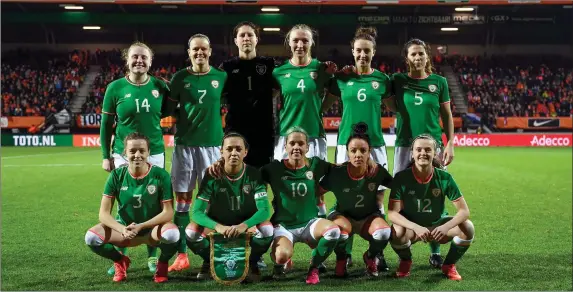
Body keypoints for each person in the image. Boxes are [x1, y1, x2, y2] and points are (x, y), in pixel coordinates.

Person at [100, 41, 170, 275]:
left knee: (154, 204)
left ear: (150, 62)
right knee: (125, 204)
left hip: (155, 152)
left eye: (144, 57)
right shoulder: (115, 88)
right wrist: (105, 155)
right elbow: (106, 124)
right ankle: (121, 256)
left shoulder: (161, 86)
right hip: (123, 153)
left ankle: (153, 255)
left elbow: (176, 109)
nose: (139, 61)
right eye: (135, 57)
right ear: (127, 60)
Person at [385, 38, 456, 267]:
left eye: (421, 54)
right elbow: (388, 102)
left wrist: (450, 142)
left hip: (432, 145)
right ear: (407, 58)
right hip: (405, 145)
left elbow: (446, 116)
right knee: (402, 198)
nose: (417, 58)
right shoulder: (397, 80)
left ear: (428, 56)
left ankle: (435, 249)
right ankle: (405, 250)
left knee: (435, 194)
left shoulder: (439, 82)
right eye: (413, 54)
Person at [330, 27, 393, 270]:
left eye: (367, 51)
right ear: (352, 51)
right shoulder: (342, 79)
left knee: (378, 198)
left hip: (375, 145)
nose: (362, 55)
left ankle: (377, 252)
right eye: (358, 51)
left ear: (373, 52)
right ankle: (343, 253)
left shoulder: (382, 80)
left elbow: (395, 108)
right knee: (343, 195)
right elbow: (324, 103)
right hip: (346, 144)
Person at [163, 33, 227, 272]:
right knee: (182, 203)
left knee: (212, 203)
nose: (199, 53)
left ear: (210, 51)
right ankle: (181, 254)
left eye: (203, 49)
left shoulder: (221, 77)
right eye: (195, 50)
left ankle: (210, 256)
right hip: (185, 146)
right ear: (188, 53)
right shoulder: (179, 78)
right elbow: (167, 109)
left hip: (212, 147)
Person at [85, 133, 179, 283]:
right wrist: (122, 229)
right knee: (91, 238)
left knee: (173, 234)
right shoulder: (116, 175)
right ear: (125, 153)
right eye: (132, 151)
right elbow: (103, 214)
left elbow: (168, 212)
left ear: (149, 152)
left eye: (142, 151)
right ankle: (120, 260)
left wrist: (141, 226)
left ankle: (162, 263)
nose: (137, 155)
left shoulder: (161, 175)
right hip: (124, 231)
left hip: (152, 231)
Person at [185, 132, 273, 282]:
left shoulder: (254, 175)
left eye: (238, 149)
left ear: (245, 152)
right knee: (191, 232)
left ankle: (252, 262)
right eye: (229, 149)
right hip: (218, 225)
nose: (234, 153)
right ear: (221, 151)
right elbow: (196, 212)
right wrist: (218, 227)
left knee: (267, 229)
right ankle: (209, 260)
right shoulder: (212, 175)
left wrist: (244, 226)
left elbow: (265, 210)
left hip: (246, 225)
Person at [272, 23, 338, 223]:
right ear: (289, 43)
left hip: (314, 135)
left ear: (311, 43)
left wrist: (321, 109)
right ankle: (282, 226)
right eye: (295, 40)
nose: (300, 44)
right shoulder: (279, 72)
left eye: (305, 40)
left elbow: (334, 92)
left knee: (316, 187)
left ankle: (322, 230)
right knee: (281, 185)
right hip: (285, 135)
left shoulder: (322, 69)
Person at [388, 134, 474, 281]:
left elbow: (464, 211)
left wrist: (446, 227)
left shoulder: (445, 178)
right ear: (412, 153)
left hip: (437, 227)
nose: (423, 153)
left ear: (435, 153)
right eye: (419, 149)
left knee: (468, 228)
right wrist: (415, 227)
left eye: (428, 150)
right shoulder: (401, 178)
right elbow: (392, 213)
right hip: (413, 229)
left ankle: (449, 265)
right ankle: (406, 261)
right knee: (396, 230)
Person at [262, 127, 341, 285]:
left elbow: (341, 169)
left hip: (310, 222)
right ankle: (280, 266)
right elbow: (248, 175)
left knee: (333, 231)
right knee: (281, 255)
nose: (296, 147)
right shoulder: (274, 168)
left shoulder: (316, 164)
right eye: (292, 143)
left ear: (307, 147)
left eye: (300, 143)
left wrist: (325, 187)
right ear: (285, 147)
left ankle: (314, 268)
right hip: (284, 225)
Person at [319, 123, 393, 278]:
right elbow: (316, 192)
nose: (358, 154)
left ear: (369, 152)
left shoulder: (377, 171)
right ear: (347, 152)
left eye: (363, 150)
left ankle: (371, 256)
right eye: (353, 150)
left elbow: (399, 187)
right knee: (339, 231)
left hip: (369, 218)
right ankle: (341, 260)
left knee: (384, 233)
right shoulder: (338, 172)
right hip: (343, 216)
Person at [219, 21, 277, 169]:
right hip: (235, 132)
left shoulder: (269, 65)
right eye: (242, 35)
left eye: (250, 35)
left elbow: (280, 88)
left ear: (256, 39)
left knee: (261, 181)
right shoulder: (226, 68)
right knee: (234, 178)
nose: (246, 38)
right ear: (235, 41)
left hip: (263, 133)